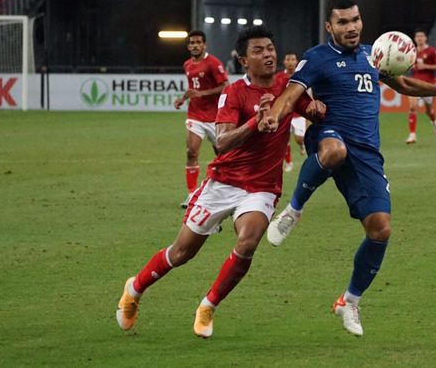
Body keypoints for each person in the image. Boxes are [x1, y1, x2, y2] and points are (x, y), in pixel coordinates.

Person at [259, 0, 436, 336]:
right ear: (330, 27)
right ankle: (293, 211)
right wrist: (273, 116)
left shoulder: (375, 54)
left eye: (355, 20)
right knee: (334, 151)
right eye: (342, 22)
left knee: (380, 229)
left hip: (367, 154)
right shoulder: (317, 58)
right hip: (329, 134)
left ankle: (349, 301)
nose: (351, 27)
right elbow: (290, 95)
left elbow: (402, 82)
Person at [116, 26, 325, 338]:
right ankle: (134, 288)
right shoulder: (235, 93)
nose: (268, 54)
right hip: (223, 183)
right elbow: (223, 142)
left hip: (262, 187)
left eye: (270, 48)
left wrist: (317, 109)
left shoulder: (287, 85)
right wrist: (256, 122)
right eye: (258, 50)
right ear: (243, 60)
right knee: (182, 253)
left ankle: (208, 306)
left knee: (249, 240)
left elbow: (307, 108)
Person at [174, 30, 229, 208]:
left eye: (198, 42)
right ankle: (191, 194)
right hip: (195, 115)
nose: (195, 45)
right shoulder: (187, 65)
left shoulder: (213, 63)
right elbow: (193, 89)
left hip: (215, 117)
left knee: (223, 155)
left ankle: (226, 188)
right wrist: (182, 99)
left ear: (204, 44)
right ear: (188, 46)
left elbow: (225, 86)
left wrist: (202, 93)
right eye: (192, 42)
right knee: (191, 152)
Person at [405, 28, 436, 144]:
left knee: (429, 111)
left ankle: (434, 121)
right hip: (414, 83)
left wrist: (426, 66)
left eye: (421, 36)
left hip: (428, 85)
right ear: (414, 38)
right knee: (412, 107)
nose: (419, 38)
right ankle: (412, 135)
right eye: (417, 36)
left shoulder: (432, 51)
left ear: (425, 38)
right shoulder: (411, 51)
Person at [281, 52, 308, 172]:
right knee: (284, 139)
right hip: (284, 113)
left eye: (293, 59)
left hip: (299, 114)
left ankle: (302, 145)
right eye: (288, 59)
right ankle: (289, 163)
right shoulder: (279, 77)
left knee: (299, 138)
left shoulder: (301, 76)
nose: (290, 62)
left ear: (296, 62)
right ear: (284, 62)